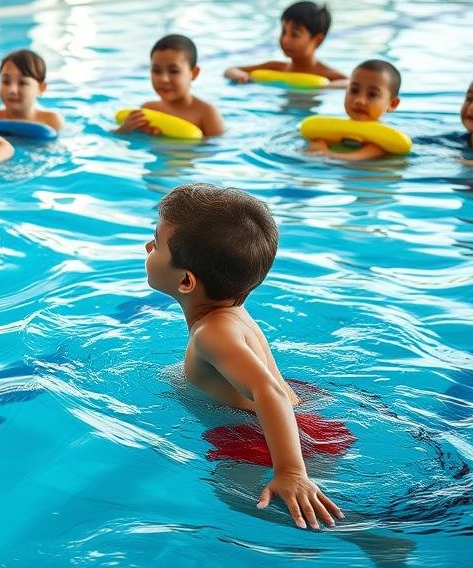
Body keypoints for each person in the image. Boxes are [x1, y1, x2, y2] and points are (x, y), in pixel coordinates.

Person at [144, 184, 344, 530]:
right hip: (304, 423)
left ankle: (374, 539)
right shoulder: (232, 311)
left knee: (232, 494)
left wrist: (291, 471)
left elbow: (269, 392)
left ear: (187, 281)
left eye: (157, 243)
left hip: (258, 437)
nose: (148, 246)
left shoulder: (211, 333)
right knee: (313, 508)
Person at [116, 34, 225, 137]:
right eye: (156, 71)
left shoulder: (207, 114)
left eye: (173, 71)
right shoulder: (148, 110)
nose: (164, 79)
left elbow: (218, 149)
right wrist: (125, 130)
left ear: (194, 73)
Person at [225, 1, 347, 85]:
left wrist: (322, 87)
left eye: (295, 34)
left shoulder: (330, 75)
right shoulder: (275, 67)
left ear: (317, 39)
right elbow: (231, 70)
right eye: (284, 32)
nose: (285, 40)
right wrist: (242, 77)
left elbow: (349, 84)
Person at [305, 59, 402, 161]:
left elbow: (355, 160)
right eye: (354, 90)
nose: (359, 100)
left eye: (372, 94)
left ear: (392, 104)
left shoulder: (381, 140)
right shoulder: (333, 128)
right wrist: (319, 142)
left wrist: (324, 153)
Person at [0, 48, 65, 131]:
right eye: (6, 81)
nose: (12, 90)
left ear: (41, 88)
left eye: (22, 83)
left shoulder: (51, 121)